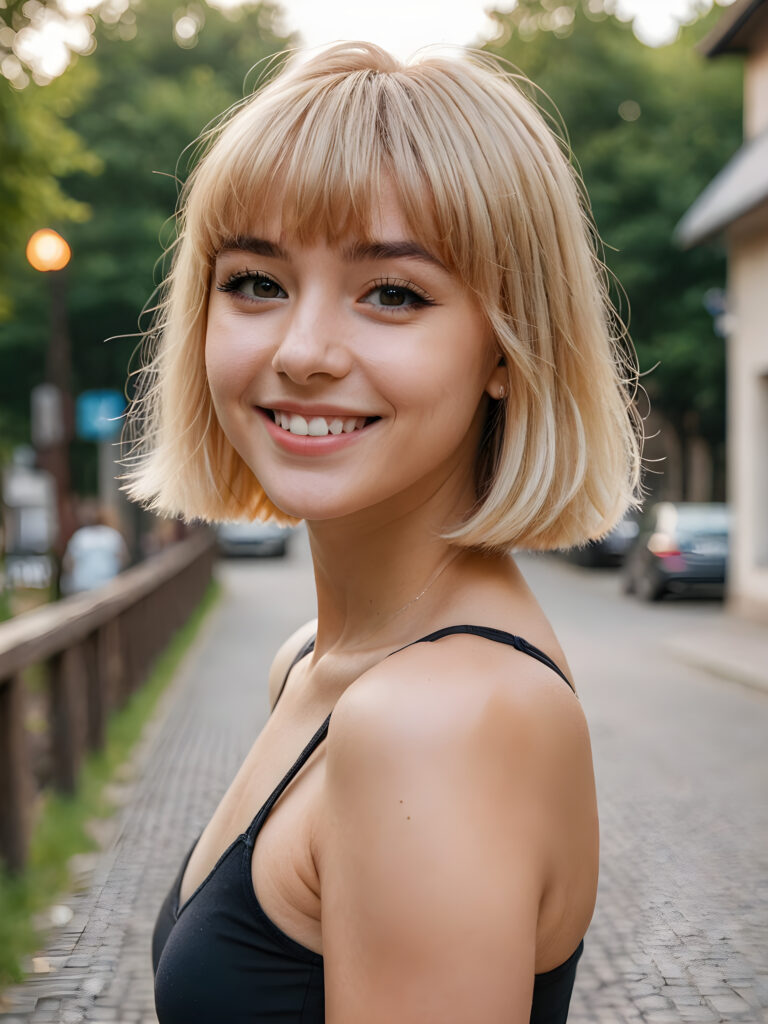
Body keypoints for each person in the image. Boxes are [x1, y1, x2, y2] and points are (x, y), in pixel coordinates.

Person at [125, 41, 641, 1023]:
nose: (304, 350)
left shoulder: (435, 722)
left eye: (393, 293)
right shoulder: (316, 666)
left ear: (506, 344)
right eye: (256, 282)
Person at [60, 500, 129, 595]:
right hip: (107, 586)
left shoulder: (80, 537)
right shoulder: (112, 535)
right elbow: (123, 559)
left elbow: (68, 563)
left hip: (84, 587)